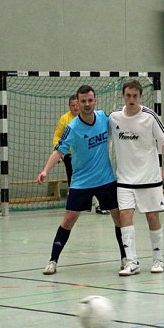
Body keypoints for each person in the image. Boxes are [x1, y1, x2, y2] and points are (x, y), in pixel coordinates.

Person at [37, 85, 126, 275]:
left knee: (118, 216)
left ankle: (125, 258)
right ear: (78, 103)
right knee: (69, 219)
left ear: (95, 101)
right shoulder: (73, 128)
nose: (87, 104)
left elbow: (122, 129)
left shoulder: (104, 118)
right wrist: (45, 170)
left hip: (105, 179)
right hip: (81, 182)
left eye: (90, 100)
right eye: (83, 101)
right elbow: (59, 150)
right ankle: (53, 260)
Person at [109, 79, 164, 275]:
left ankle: (158, 259)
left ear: (140, 96)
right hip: (125, 179)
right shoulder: (114, 118)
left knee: (152, 216)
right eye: (128, 96)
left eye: (135, 96)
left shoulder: (150, 116)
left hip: (149, 177)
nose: (131, 99)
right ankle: (132, 261)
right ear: (123, 96)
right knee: (124, 215)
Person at [53, 94, 108, 214]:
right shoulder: (65, 120)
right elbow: (58, 136)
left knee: (96, 179)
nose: (75, 108)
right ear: (69, 106)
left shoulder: (95, 116)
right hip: (70, 156)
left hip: (88, 156)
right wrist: (59, 153)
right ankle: (75, 205)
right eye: (73, 106)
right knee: (74, 180)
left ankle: (98, 205)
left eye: (77, 105)